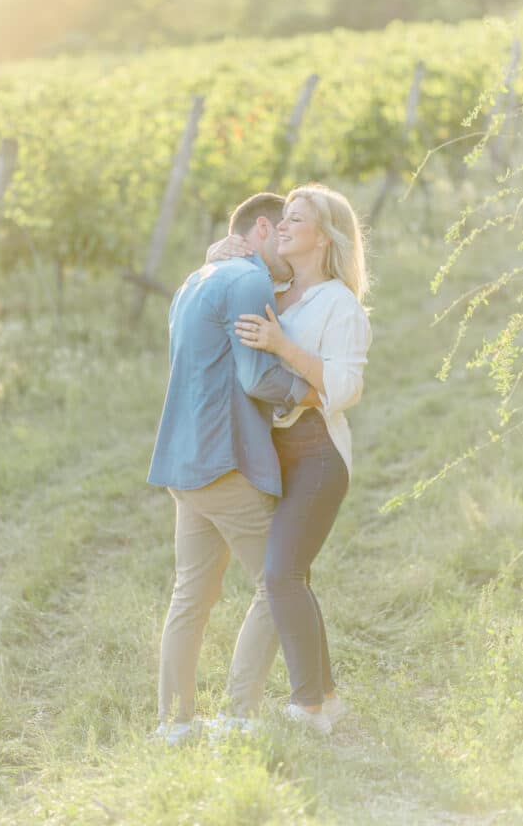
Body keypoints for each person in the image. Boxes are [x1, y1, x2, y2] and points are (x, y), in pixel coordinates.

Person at [147, 192, 320, 744]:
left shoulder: (194, 280)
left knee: (190, 597)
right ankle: (241, 715)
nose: (289, 250)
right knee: (281, 583)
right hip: (226, 462)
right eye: (284, 232)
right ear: (262, 229)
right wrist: (314, 390)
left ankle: (174, 725)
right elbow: (256, 378)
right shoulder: (246, 280)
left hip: (182, 462)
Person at [229, 182, 372, 736]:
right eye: (281, 219)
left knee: (281, 574)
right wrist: (222, 251)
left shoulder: (340, 303)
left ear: (324, 237)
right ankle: (327, 700)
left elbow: (344, 385)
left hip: (316, 456)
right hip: (275, 455)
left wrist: (281, 346)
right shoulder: (275, 286)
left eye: (295, 220)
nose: (281, 227)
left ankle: (308, 707)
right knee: (294, 578)